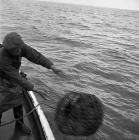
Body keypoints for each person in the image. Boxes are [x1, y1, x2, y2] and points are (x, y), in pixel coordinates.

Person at [0, 32, 64, 135]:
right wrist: (34, 88)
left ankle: (20, 122)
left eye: (19, 49)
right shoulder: (2, 57)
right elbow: (16, 77)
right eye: (14, 51)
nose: (19, 51)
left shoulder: (20, 46)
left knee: (18, 97)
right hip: (2, 78)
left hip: (14, 76)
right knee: (1, 101)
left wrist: (52, 67)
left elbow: (36, 56)